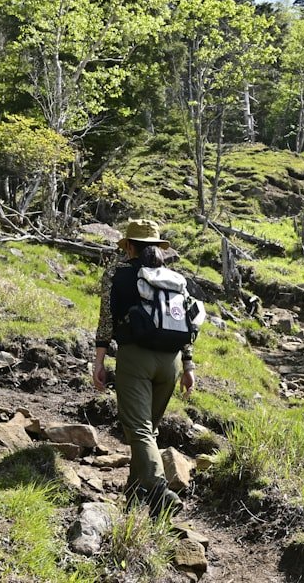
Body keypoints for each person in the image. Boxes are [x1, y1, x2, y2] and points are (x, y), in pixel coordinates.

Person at [92, 219, 195, 517]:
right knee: (147, 430)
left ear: (130, 246)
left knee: (138, 430)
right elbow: (185, 323)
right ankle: (135, 494)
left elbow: (106, 321)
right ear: (158, 248)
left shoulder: (117, 274)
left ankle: (159, 491)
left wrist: (99, 361)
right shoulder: (174, 278)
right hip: (171, 362)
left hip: (135, 359)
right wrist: (188, 365)